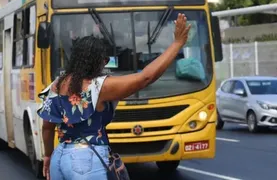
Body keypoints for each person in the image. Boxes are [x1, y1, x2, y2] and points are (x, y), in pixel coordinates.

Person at [37, 13, 191, 180]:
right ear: (99, 62)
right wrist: (177, 44)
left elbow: (47, 127)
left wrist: (47, 156)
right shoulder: (98, 86)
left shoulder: (56, 84)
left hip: (59, 158)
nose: (105, 63)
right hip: (85, 161)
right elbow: (145, 77)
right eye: (105, 60)